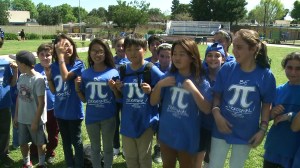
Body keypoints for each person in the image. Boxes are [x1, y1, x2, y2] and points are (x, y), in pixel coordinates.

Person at [209, 29, 276, 168]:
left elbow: (266, 105)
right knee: (214, 165)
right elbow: (217, 95)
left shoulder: (266, 75)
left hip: (246, 132)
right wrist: (216, 114)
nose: (234, 51)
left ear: (252, 49)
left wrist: (262, 129)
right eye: (234, 46)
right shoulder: (227, 68)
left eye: (239, 47)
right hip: (221, 127)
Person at [150, 39, 212, 168]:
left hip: (187, 135)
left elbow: (207, 109)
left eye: (182, 54)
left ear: (191, 57)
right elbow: (153, 101)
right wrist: (160, 85)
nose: (177, 58)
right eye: (175, 54)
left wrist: (193, 89)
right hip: (167, 133)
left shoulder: (200, 80)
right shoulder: (168, 76)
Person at [115, 36, 163, 168]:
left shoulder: (151, 69)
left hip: (145, 122)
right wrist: (117, 88)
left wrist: (151, 90)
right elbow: (120, 97)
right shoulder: (123, 70)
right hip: (128, 121)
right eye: (129, 50)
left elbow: (163, 89)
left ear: (145, 49)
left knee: (144, 157)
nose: (133, 53)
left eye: (137, 49)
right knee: (130, 157)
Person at [75, 38, 120, 168]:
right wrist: (77, 88)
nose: (97, 54)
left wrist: (114, 89)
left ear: (106, 53)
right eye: (94, 51)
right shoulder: (85, 74)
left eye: (100, 51)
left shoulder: (113, 72)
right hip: (92, 118)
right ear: (89, 53)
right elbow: (84, 99)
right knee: (95, 148)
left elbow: (118, 97)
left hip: (108, 117)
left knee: (107, 147)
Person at [45, 34, 85, 168]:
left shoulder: (78, 64)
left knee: (76, 141)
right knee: (66, 142)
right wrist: (49, 78)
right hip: (60, 112)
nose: (65, 48)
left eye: (67, 45)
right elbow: (54, 91)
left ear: (73, 46)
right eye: (61, 46)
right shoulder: (54, 66)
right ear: (55, 49)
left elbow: (66, 76)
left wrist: (60, 56)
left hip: (74, 112)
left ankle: (79, 164)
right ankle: (70, 164)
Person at [263, 52, 300, 168]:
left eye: (298, 69)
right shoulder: (278, 90)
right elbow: (265, 117)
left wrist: (290, 115)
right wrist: (271, 113)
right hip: (274, 147)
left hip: (294, 150)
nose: (293, 72)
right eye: (289, 67)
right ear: (284, 67)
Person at [13, 50, 47, 168]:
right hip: (22, 118)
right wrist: (16, 115)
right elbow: (19, 97)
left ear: (23, 64)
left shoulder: (38, 79)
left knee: (40, 143)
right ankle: (27, 163)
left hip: (36, 119)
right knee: (23, 143)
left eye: (17, 62)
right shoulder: (21, 76)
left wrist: (35, 121)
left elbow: (41, 103)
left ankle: (42, 163)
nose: (16, 64)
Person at [196, 43, 226, 168]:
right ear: (205, 58)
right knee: (198, 154)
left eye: (217, 56)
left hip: (217, 124)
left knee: (212, 157)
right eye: (209, 55)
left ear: (223, 59)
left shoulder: (227, 76)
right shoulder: (200, 75)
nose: (213, 58)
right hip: (200, 123)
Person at [30, 43, 59, 165]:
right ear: (38, 56)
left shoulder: (56, 68)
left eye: (48, 55)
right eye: (42, 55)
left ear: (52, 55)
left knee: (53, 132)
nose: (45, 57)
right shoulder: (34, 69)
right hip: (38, 108)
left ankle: (50, 152)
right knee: (36, 133)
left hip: (53, 107)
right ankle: (35, 152)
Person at [0, 37, 18, 168]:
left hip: (4, 103)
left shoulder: (5, 63)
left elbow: (12, 83)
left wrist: (16, 70)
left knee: (5, 131)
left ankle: (3, 154)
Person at [112, 37, 129, 157]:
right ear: (114, 47)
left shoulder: (131, 61)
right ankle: (115, 147)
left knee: (126, 122)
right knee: (114, 123)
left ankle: (126, 147)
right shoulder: (111, 61)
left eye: (123, 46)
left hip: (126, 97)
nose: (121, 48)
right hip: (113, 97)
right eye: (118, 45)